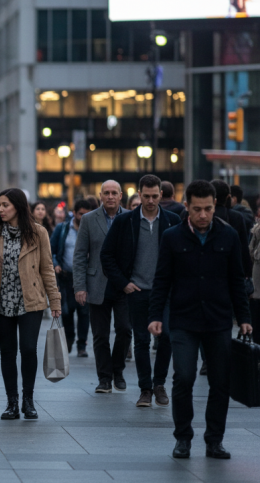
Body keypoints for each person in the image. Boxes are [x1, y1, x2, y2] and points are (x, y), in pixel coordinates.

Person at [148, 180, 253, 460]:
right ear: (187, 207)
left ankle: (214, 440)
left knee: (220, 382)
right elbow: (162, 280)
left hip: (218, 320)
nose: (203, 215)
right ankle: (183, 438)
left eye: (208, 208)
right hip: (183, 319)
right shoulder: (172, 237)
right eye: (197, 209)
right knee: (183, 377)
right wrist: (156, 316)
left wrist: (243, 318)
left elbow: (237, 280)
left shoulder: (228, 236)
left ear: (215, 206)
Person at [100, 175, 181, 408]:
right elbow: (107, 254)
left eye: (155, 196)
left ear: (161, 196)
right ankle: (145, 389)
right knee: (141, 341)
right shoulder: (126, 221)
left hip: (164, 292)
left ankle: (159, 384)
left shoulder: (173, 221)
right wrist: (123, 283)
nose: (150, 200)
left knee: (166, 336)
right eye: (146, 196)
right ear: (139, 194)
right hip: (137, 290)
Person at [0, 188, 61, 421]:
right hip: (2, 300)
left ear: (18, 206)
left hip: (31, 300)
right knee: (8, 352)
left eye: (5, 205)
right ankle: (12, 402)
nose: (1, 209)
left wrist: (54, 300)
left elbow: (47, 268)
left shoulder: (38, 233)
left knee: (28, 349)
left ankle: (28, 399)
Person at [73, 180, 132, 393]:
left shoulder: (130, 217)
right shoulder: (89, 219)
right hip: (96, 283)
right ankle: (105, 378)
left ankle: (118, 370)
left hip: (124, 285)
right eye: (106, 193)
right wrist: (79, 286)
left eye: (113, 193)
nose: (110, 196)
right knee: (100, 335)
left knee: (125, 329)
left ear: (121, 195)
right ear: (100, 196)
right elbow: (80, 254)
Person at [50, 199, 92, 357]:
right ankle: (69, 338)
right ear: (74, 213)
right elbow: (52, 250)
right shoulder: (63, 229)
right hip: (66, 276)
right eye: (81, 214)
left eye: (87, 214)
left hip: (85, 278)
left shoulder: (90, 230)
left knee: (84, 312)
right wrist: (56, 264)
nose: (84, 217)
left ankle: (82, 345)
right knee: (66, 311)